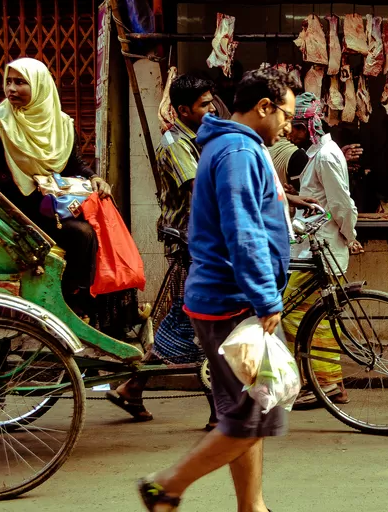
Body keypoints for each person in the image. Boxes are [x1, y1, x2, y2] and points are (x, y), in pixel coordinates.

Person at [137, 66, 296, 512]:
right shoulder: (238, 153)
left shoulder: (234, 146)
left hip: (231, 299)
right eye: (286, 113)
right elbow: (241, 230)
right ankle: (165, 486)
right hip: (234, 303)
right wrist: (266, 297)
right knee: (251, 417)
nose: (288, 124)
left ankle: (253, 506)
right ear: (264, 107)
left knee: (247, 412)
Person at [106, 74, 218, 427]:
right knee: (202, 320)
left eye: (211, 102)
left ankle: (133, 388)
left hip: (201, 243)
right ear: (184, 110)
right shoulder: (174, 144)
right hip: (190, 244)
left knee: (189, 319)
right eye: (204, 105)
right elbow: (203, 188)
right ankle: (220, 412)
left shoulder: (198, 138)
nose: (211, 109)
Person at [0, 58, 113, 312]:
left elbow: (73, 163)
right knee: (82, 234)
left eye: (20, 82)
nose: (11, 88)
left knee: (105, 225)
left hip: (51, 207)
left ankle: (104, 306)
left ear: (40, 86)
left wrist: (94, 178)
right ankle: (68, 303)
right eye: (8, 81)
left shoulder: (63, 125)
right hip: (17, 214)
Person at [280, 92, 362, 408]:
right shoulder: (317, 152)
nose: (290, 133)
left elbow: (341, 204)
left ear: (307, 124)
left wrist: (348, 234)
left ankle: (323, 384)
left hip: (322, 248)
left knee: (289, 313)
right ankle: (326, 384)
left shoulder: (326, 156)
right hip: (310, 246)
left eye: (294, 127)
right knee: (313, 317)